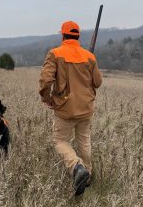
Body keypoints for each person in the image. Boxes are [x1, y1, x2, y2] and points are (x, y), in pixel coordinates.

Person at [39, 21, 102, 195]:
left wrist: (47, 98)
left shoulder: (55, 53)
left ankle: (76, 167)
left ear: (63, 35)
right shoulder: (89, 56)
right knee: (84, 140)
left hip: (65, 109)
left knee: (60, 141)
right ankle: (86, 175)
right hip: (86, 108)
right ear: (78, 36)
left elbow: (45, 81)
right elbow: (97, 82)